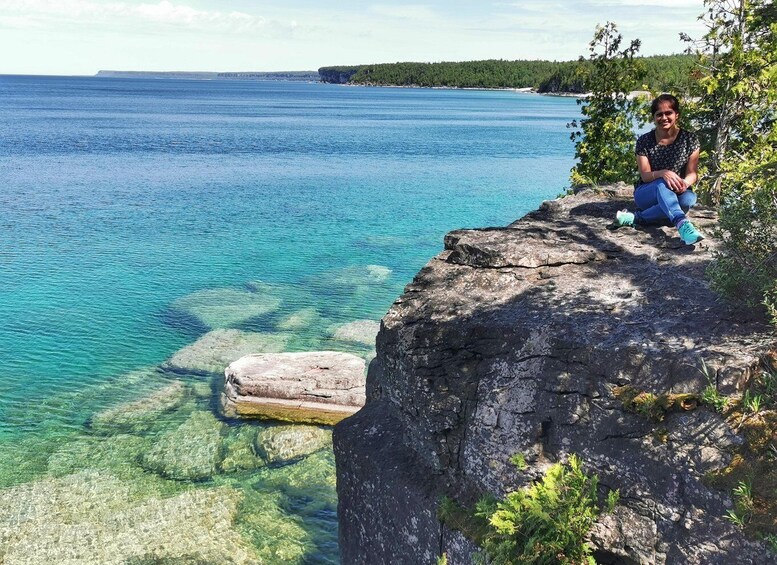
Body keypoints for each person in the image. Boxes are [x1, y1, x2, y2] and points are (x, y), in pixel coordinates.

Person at [616, 93, 703, 245]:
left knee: (688, 199)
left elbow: (692, 174)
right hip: (647, 193)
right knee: (663, 183)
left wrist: (684, 184)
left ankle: (635, 218)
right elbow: (645, 175)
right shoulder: (644, 141)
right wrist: (663, 173)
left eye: (668, 113)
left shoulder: (690, 140)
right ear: (654, 117)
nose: (664, 118)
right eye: (659, 114)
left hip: (677, 192)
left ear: (677, 115)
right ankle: (682, 223)